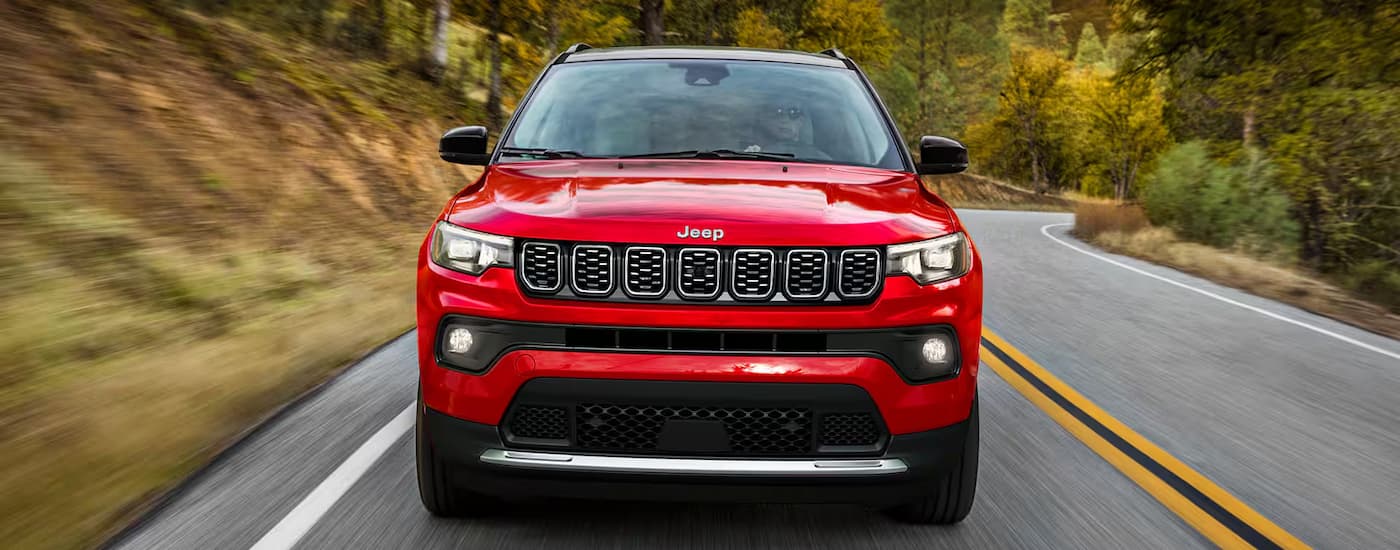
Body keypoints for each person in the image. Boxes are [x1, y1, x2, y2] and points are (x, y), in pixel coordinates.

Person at [744, 101, 830, 160]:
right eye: (778, 113)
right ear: (765, 120)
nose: (785, 119)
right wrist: (749, 157)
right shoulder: (754, 154)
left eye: (793, 114)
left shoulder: (820, 159)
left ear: (801, 121)